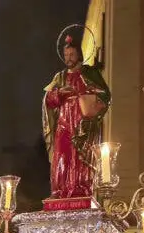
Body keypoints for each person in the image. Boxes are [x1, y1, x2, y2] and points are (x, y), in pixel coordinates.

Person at [42, 34, 110, 199]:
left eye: (71, 55)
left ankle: (80, 189)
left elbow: (105, 95)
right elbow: (48, 99)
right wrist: (59, 93)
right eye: (66, 56)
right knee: (62, 155)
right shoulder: (60, 77)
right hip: (64, 120)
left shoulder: (89, 73)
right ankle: (60, 191)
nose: (68, 59)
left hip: (82, 121)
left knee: (79, 156)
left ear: (79, 54)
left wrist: (83, 92)